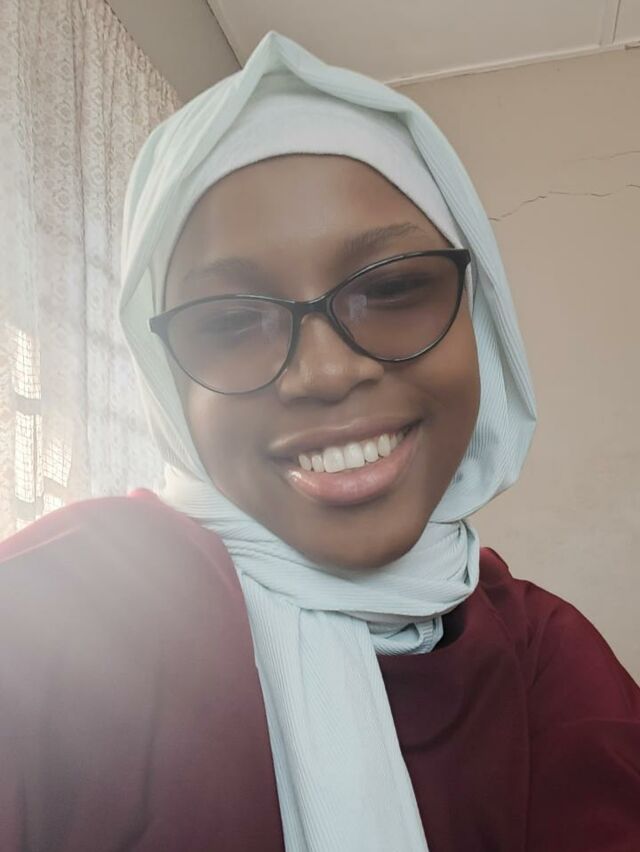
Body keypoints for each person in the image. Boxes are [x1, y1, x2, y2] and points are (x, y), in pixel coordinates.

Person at [0, 30, 638, 852]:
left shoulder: (546, 659)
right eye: (231, 322)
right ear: (167, 380)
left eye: (394, 288)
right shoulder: (68, 609)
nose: (326, 373)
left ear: (478, 316)